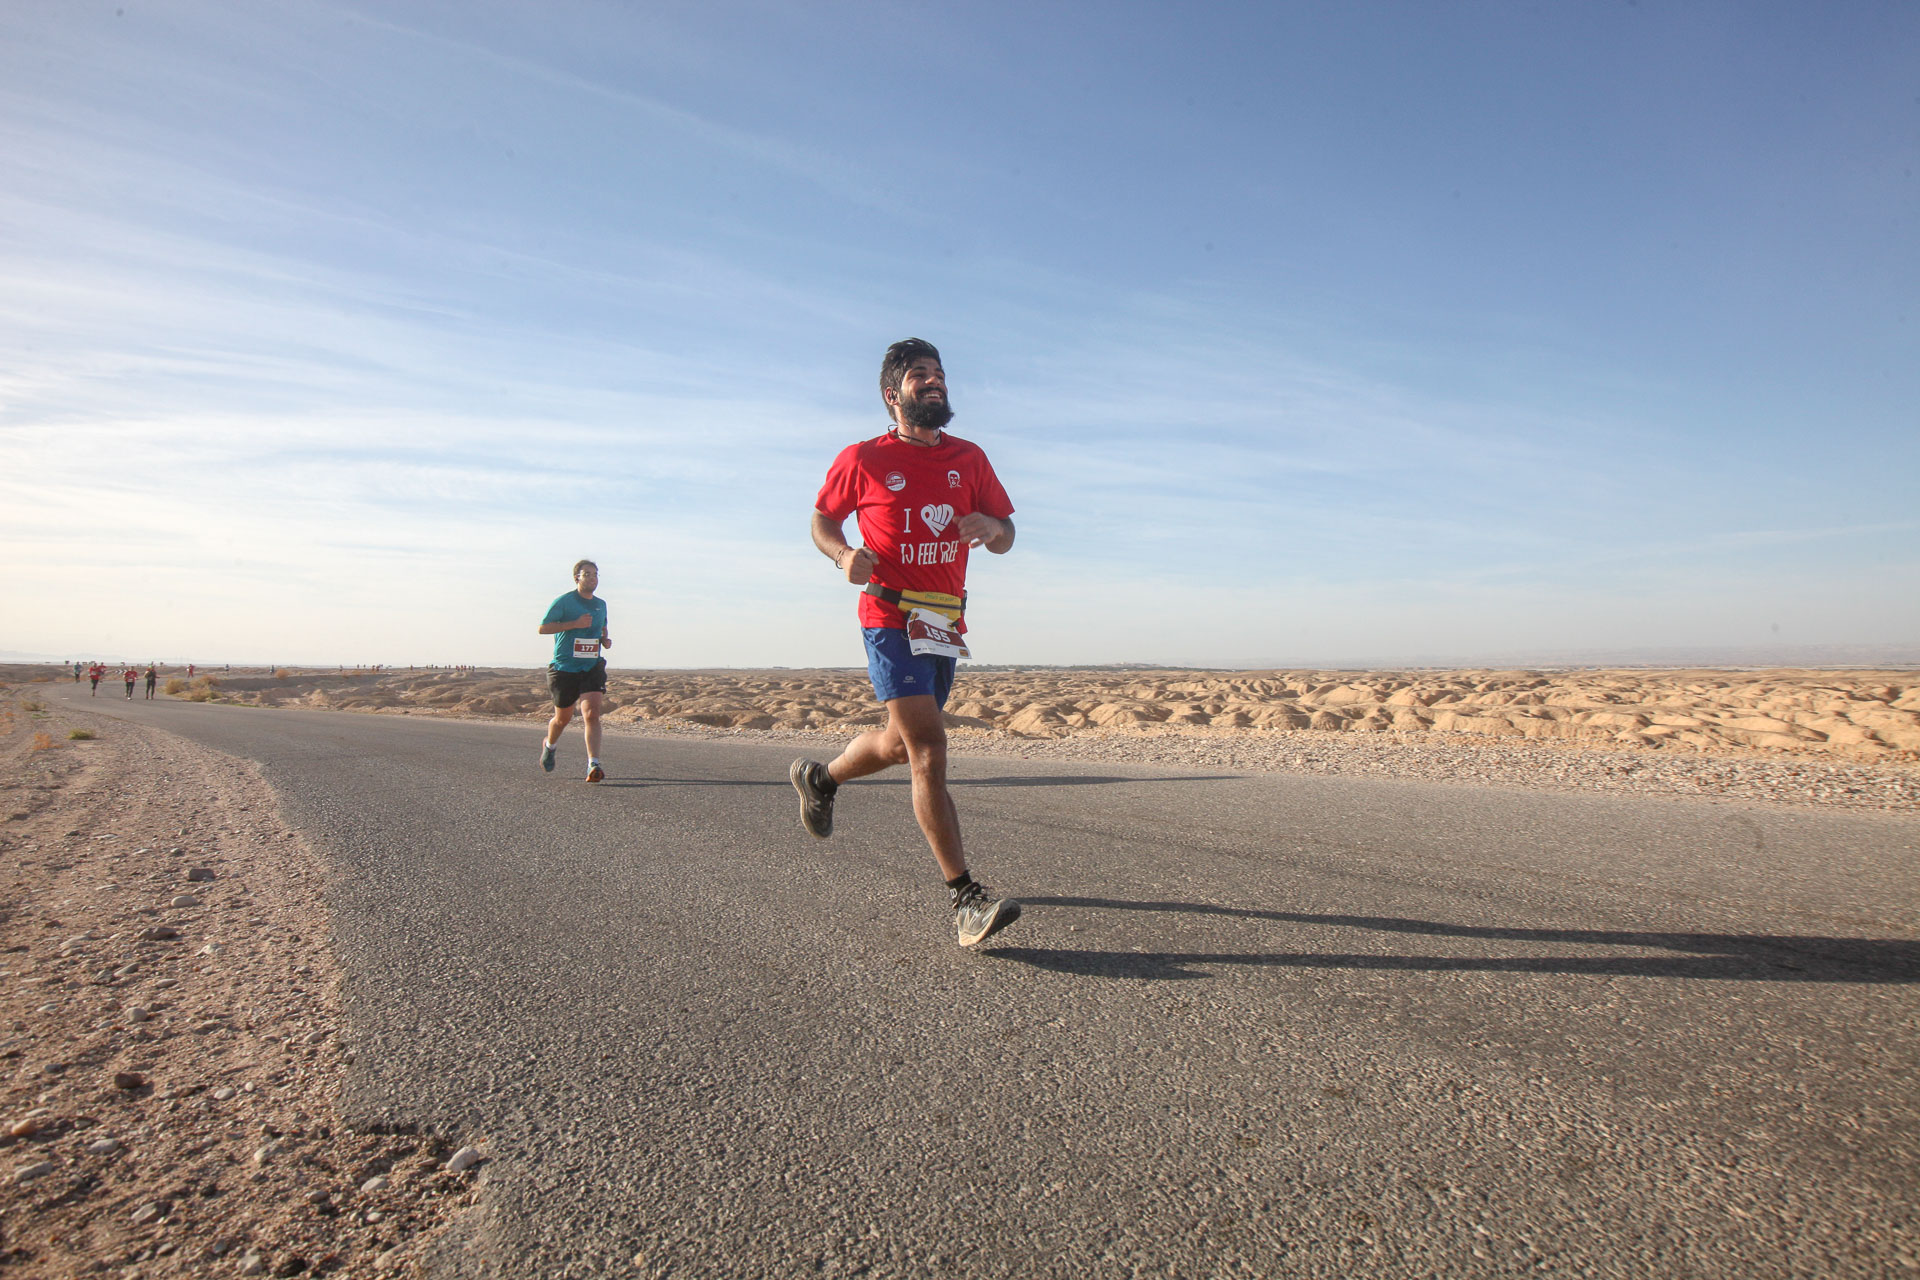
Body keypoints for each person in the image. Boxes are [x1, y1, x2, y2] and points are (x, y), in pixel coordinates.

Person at [790, 338, 1020, 947]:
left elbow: (1008, 535)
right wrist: (843, 554)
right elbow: (821, 519)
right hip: (888, 616)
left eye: (940, 374)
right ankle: (966, 898)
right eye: (920, 375)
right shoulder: (863, 458)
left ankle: (823, 779)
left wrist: (992, 526)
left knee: (898, 745)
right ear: (893, 395)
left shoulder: (970, 459)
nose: (935, 382)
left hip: (944, 623)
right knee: (928, 748)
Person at [537, 560, 612, 782]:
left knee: (592, 714)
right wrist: (574, 623)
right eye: (587, 574)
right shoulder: (564, 602)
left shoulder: (601, 604)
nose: (592, 578)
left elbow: (603, 625)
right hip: (564, 668)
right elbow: (543, 628)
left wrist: (603, 639)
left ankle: (593, 765)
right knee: (563, 719)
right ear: (576, 578)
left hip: (591, 666)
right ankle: (550, 745)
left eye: (595, 574)